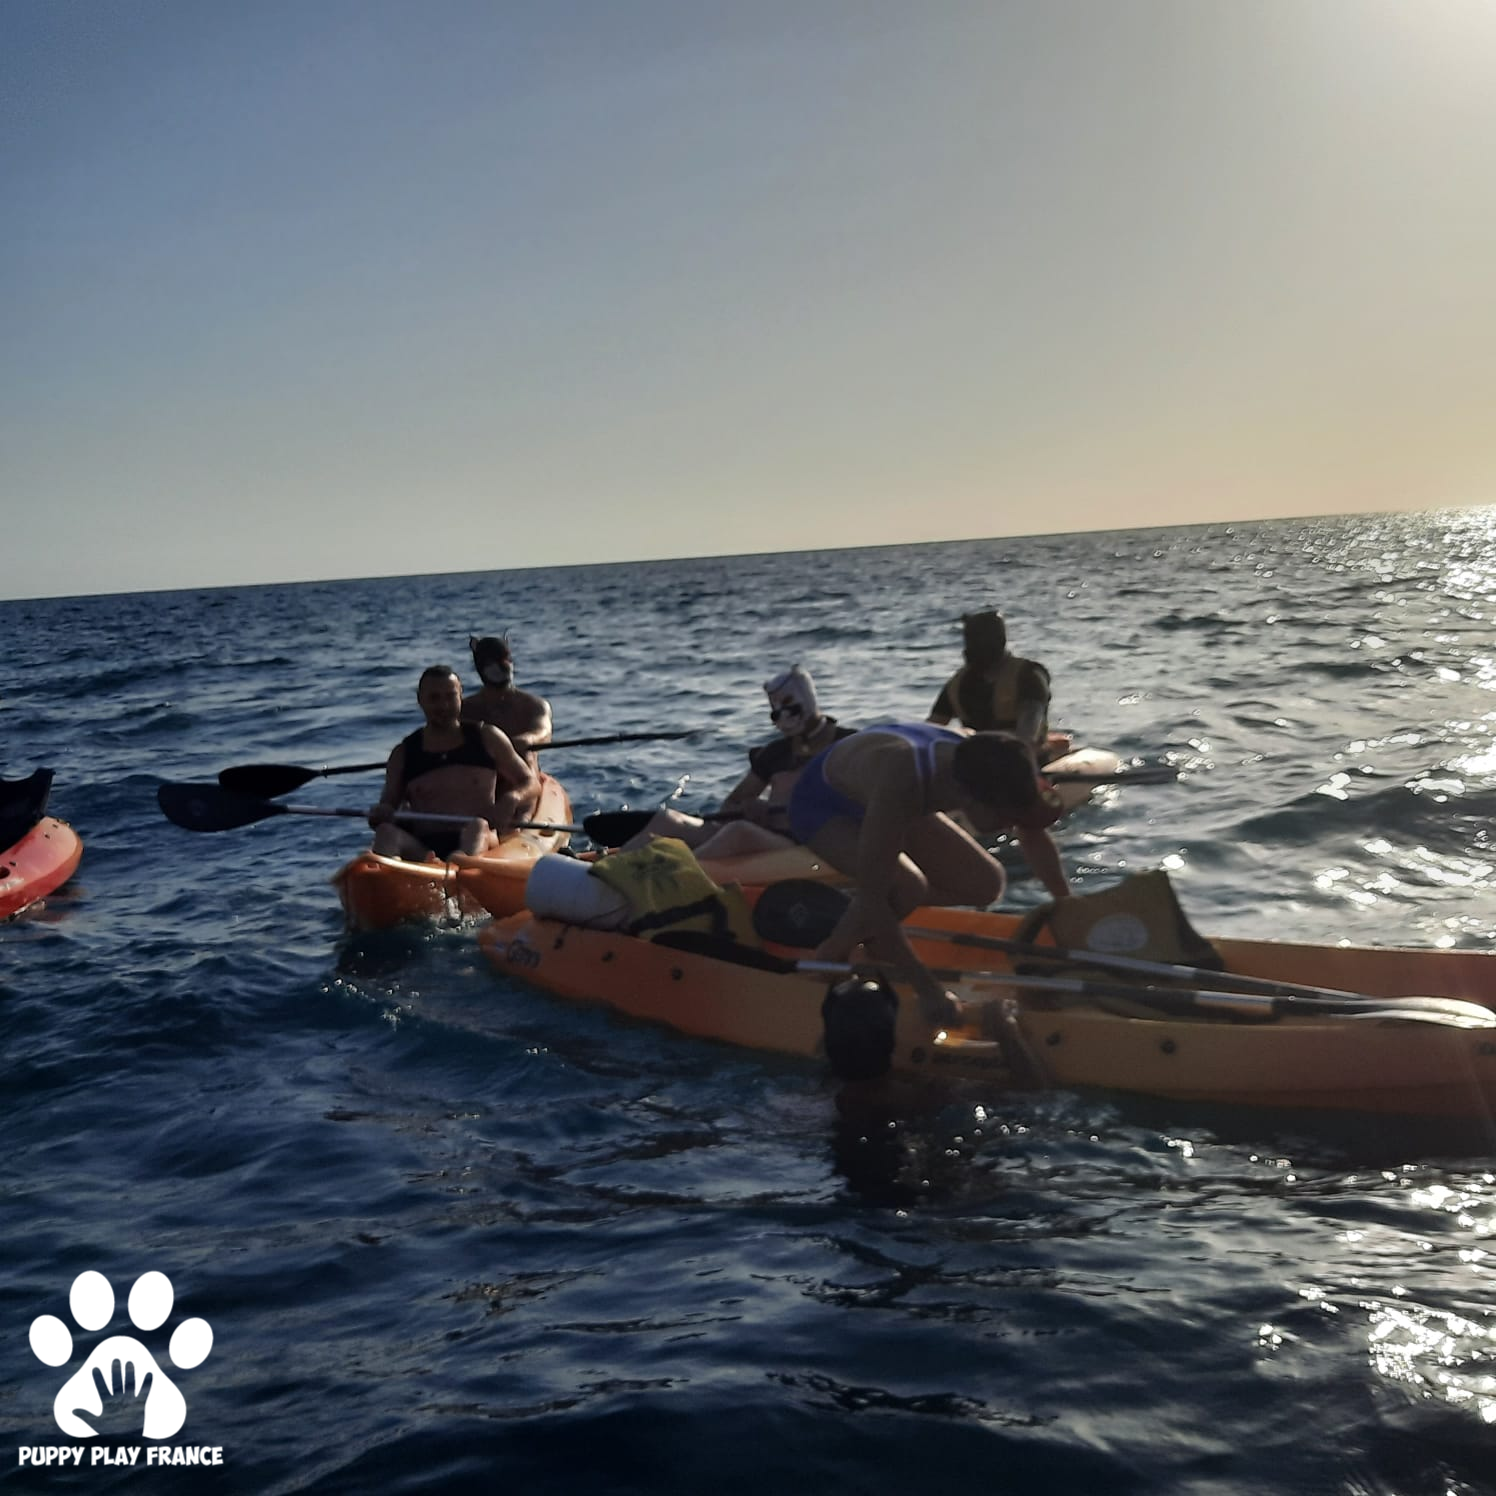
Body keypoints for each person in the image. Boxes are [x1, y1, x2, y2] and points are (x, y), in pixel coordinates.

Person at [786, 722, 1071, 1025]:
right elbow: (873, 899)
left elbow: (1032, 829)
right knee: (907, 887)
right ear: (966, 797)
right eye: (1003, 816)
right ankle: (829, 958)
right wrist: (928, 990)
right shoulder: (902, 783)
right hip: (823, 803)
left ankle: (871, 932)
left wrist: (1067, 908)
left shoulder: (1003, 766)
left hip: (881, 791)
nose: (1010, 825)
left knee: (986, 884)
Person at [621, 665, 855, 858]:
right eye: (775, 714)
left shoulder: (850, 745)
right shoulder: (776, 753)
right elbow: (732, 804)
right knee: (667, 820)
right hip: (771, 837)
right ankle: (612, 871)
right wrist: (749, 808)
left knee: (739, 832)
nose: (783, 720)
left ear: (809, 702)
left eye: (791, 710)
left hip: (814, 846)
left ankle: (675, 875)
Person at [369, 665, 539, 861]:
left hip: (481, 840)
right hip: (425, 850)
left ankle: (461, 866)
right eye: (434, 698)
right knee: (385, 833)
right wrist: (381, 813)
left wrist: (513, 797)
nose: (444, 706)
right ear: (420, 700)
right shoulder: (404, 753)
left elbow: (530, 782)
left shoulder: (487, 738)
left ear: (460, 697)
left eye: (450, 696)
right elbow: (388, 804)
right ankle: (390, 873)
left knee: (477, 827)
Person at [928, 610, 1069, 763]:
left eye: (979, 641)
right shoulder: (958, 683)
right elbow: (931, 729)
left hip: (1021, 760)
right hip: (977, 760)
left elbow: (1027, 736)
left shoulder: (1028, 676)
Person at [461, 634, 553, 764]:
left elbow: (543, 732)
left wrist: (529, 739)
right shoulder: (464, 709)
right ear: (481, 667)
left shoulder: (534, 705)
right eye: (492, 662)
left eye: (507, 659)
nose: (504, 665)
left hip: (526, 771)